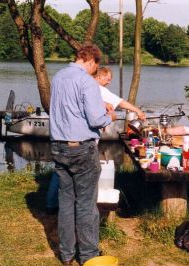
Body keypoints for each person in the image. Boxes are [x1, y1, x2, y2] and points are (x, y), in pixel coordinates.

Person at [46, 67, 146, 214]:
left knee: (62, 171)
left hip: (64, 137)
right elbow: (120, 102)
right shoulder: (95, 87)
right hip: (84, 140)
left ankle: (52, 204)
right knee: (83, 175)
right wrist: (136, 111)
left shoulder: (76, 84)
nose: (109, 82)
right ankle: (80, 208)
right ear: (99, 76)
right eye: (107, 78)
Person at [49, 44, 115, 266]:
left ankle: (66, 254)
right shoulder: (87, 80)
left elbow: (69, 107)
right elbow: (96, 120)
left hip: (58, 146)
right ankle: (88, 255)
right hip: (81, 148)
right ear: (92, 61)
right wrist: (109, 118)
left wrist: (99, 103)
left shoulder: (58, 77)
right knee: (86, 204)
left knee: (66, 201)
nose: (95, 71)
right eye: (95, 66)